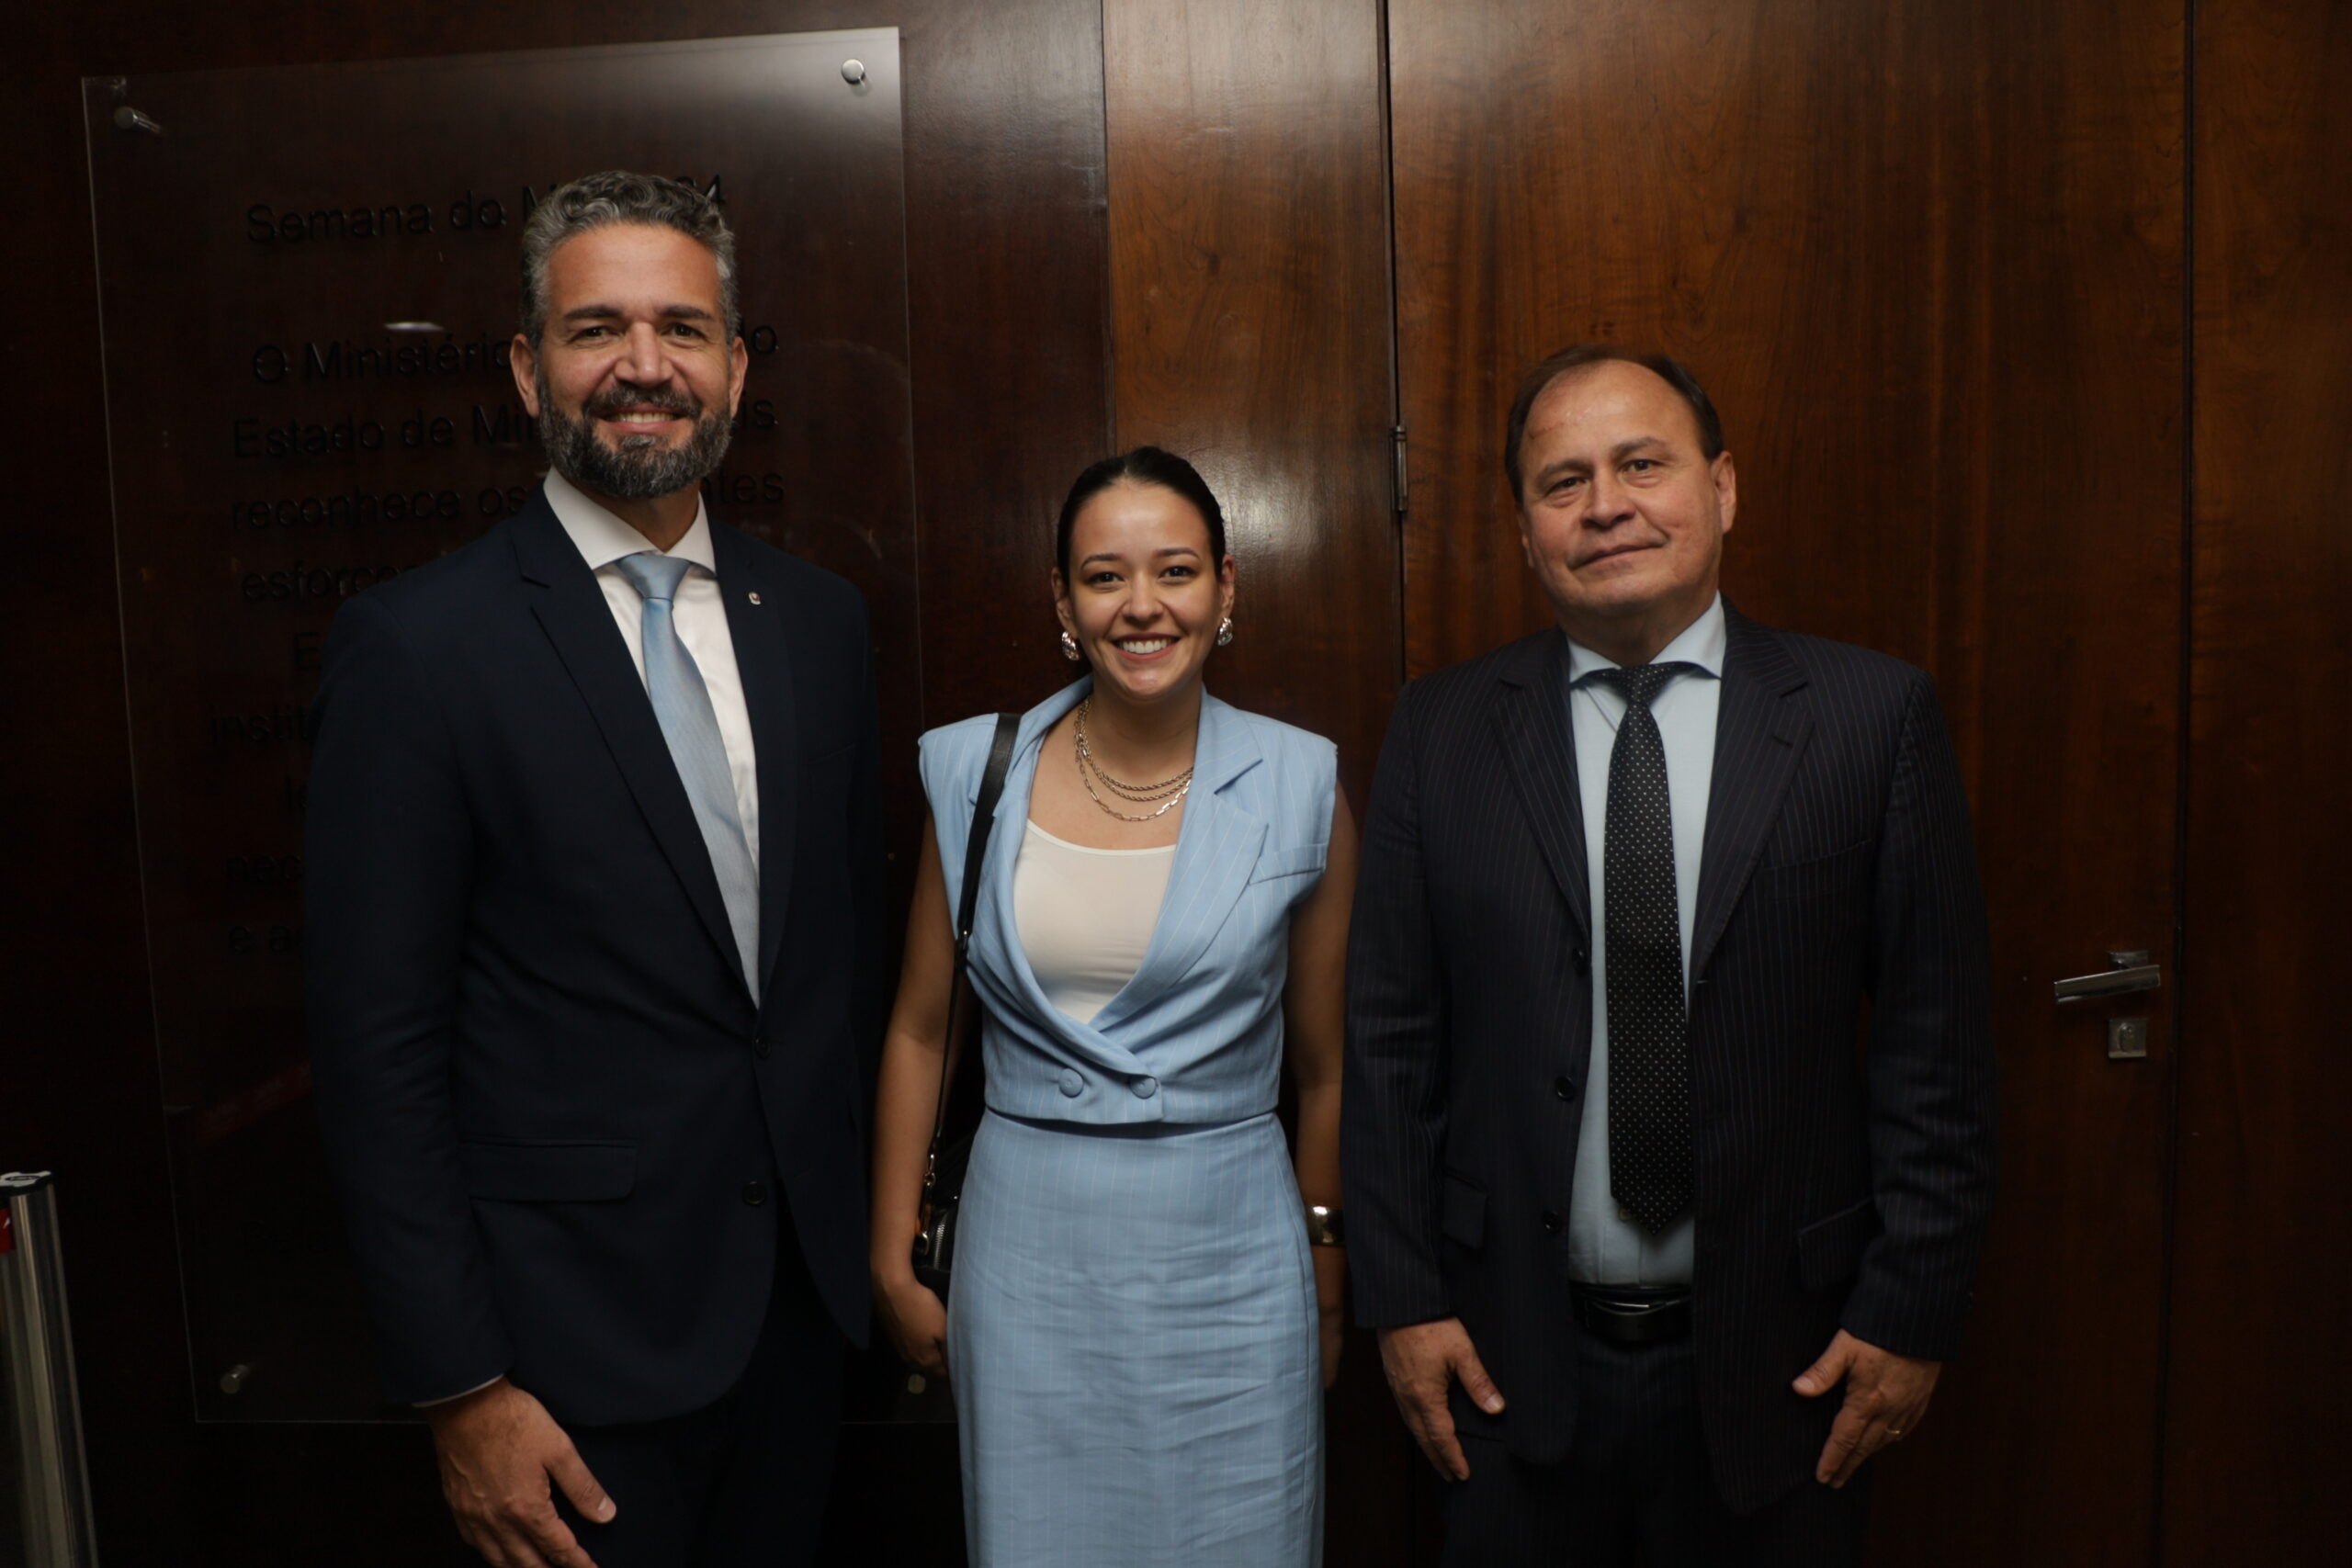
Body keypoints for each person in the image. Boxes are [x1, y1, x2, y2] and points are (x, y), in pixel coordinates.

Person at [306, 172, 885, 1568]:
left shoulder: (819, 621)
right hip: (561, 1371)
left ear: (736, 367)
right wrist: (461, 1385)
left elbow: (834, 969)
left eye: (684, 328)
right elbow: (378, 1046)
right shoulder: (420, 647)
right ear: (526, 369)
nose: (644, 366)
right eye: (595, 329)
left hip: (802, 1340)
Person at [1342, 345, 1996, 1565]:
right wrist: (1404, 1297)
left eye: (1643, 462)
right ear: (1527, 527)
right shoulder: (1441, 728)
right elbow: (1389, 1035)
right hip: (1505, 1364)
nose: (1606, 504)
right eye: (1563, 480)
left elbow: (1936, 1046)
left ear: (1723, 486)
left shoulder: (1869, 717)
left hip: (1791, 1370)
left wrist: (1908, 1313)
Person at [868, 448, 1352, 1567]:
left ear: (1225, 589)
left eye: (1175, 571)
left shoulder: (1300, 783)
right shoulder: (971, 771)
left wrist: (1324, 1268)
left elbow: (1327, 1068)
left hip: (1236, 1260)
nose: (1142, 606)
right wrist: (891, 1255)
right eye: (1104, 577)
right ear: (1063, 601)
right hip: (1026, 1256)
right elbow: (919, 1029)